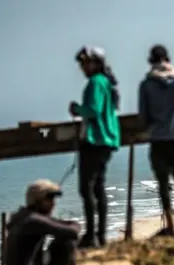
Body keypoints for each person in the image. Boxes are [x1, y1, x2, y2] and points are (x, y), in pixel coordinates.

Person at [139, 44, 174, 235]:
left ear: (151, 61)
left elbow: (144, 117)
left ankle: (171, 226)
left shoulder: (146, 84)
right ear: (168, 59)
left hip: (158, 139)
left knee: (163, 185)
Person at [5, 179, 89, 265]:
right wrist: (73, 225)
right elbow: (72, 231)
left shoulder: (25, 216)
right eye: (49, 199)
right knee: (67, 242)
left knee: (64, 239)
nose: (53, 204)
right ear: (37, 201)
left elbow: (58, 226)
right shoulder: (33, 221)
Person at [70, 46, 121, 248]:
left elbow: (92, 110)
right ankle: (100, 235)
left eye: (85, 63)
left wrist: (76, 109)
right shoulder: (106, 82)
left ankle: (91, 235)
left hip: (95, 139)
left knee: (87, 188)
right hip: (107, 139)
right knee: (98, 187)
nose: (82, 67)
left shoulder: (95, 83)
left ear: (95, 63)